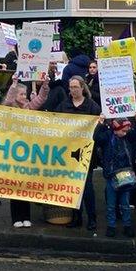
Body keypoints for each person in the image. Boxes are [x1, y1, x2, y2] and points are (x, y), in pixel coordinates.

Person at [2, 78, 50, 228]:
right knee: (14, 185)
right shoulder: (9, 108)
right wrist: (14, 84)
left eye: (25, 94)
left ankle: (26, 217)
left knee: (25, 186)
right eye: (22, 94)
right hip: (13, 152)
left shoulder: (28, 107)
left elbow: (41, 98)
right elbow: (8, 101)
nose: (25, 96)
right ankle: (16, 217)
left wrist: (45, 84)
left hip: (27, 152)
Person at [56, 76, 101, 230]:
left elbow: (97, 130)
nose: (73, 90)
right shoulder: (64, 105)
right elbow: (55, 123)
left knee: (87, 186)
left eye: (76, 87)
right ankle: (76, 217)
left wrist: (100, 122)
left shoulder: (92, 106)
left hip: (86, 153)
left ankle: (92, 218)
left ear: (82, 88)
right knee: (73, 186)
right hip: (69, 152)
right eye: (71, 87)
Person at [95, 115, 136, 238]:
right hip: (112, 175)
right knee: (111, 204)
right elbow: (96, 138)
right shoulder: (107, 136)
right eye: (123, 130)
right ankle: (111, 226)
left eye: (126, 131)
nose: (125, 133)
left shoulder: (127, 137)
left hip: (125, 174)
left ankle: (127, 225)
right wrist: (100, 124)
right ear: (116, 129)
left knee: (125, 203)